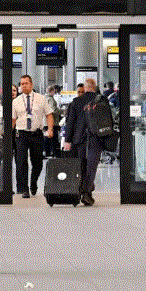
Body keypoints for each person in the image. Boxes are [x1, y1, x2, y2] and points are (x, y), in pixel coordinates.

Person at [12, 75, 54, 198]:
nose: (23, 86)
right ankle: (24, 189)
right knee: (21, 161)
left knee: (38, 162)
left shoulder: (41, 98)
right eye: (21, 84)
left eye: (26, 83)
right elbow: (13, 120)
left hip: (37, 134)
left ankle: (33, 181)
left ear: (31, 84)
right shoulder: (16, 101)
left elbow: (49, 115)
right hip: (21, 134)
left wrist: (50, 129)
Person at [63, 78, 104, 206]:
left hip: (80, 138)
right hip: (96, 137)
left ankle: (84, 190)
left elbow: (70, 122)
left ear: (85, 88)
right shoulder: (102, 100)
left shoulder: (76, 101)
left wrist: (67, 140)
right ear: (95, 87)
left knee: (82, 164)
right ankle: (87, 192)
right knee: (92, 165)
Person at [43, 85, 62, 158]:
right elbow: (53, 109)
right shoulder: (50, 99)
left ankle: (47, 152)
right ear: (52, 91)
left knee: (47, 138)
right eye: (54, 91)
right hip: (52, 122)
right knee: (54, 139)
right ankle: (55, 153)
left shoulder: (43, 98)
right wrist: (61, 111)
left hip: (45, 122)